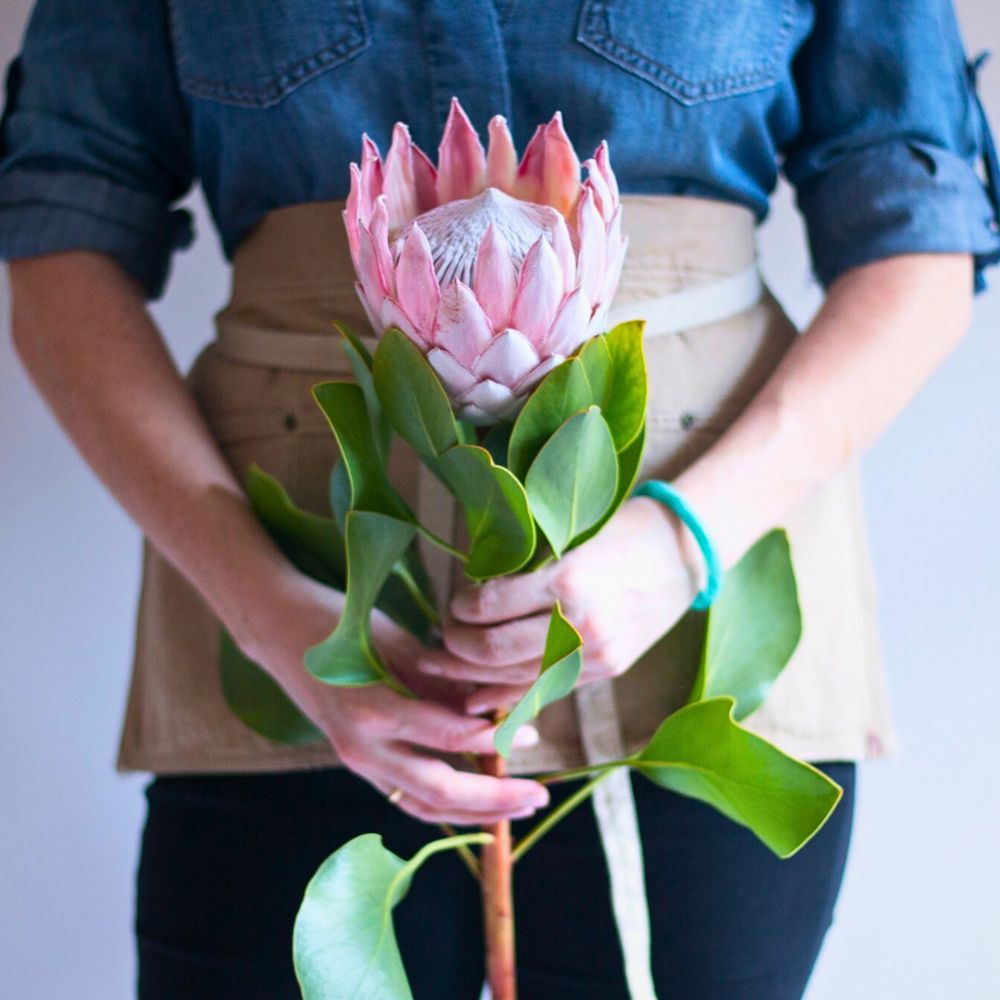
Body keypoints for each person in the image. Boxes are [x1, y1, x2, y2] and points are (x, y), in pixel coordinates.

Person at [2, 2, 998, 998]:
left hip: (695, 603)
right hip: (292, 595)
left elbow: (920, 243)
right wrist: (273, 616)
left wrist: (678, 546)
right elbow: (58, 234)